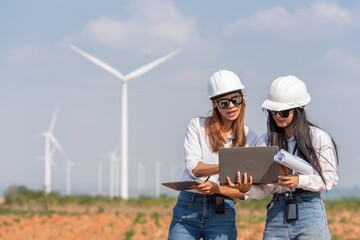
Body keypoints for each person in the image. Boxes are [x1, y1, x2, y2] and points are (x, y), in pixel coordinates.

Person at [227, 75, 339, 239]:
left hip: (309, 209)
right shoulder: (265, 140)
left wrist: (299, 181)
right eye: (273, 112)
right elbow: (266, 188)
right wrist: (247, 189)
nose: (277, 116)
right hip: (277, 211)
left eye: (284, 112)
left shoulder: (318, 137)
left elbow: (330, 179)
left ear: (298, 110)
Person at [168, 69, 260, 240]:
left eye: (235, 100)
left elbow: (247, 192)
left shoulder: (250, 137)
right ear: (214, 104)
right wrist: (227, 167)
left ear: (242, 100)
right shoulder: (197, 125)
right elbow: (194, 168)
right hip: (189, 205)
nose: (231, 106)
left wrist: (219, 188)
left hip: (223, 208)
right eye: (224, 103)